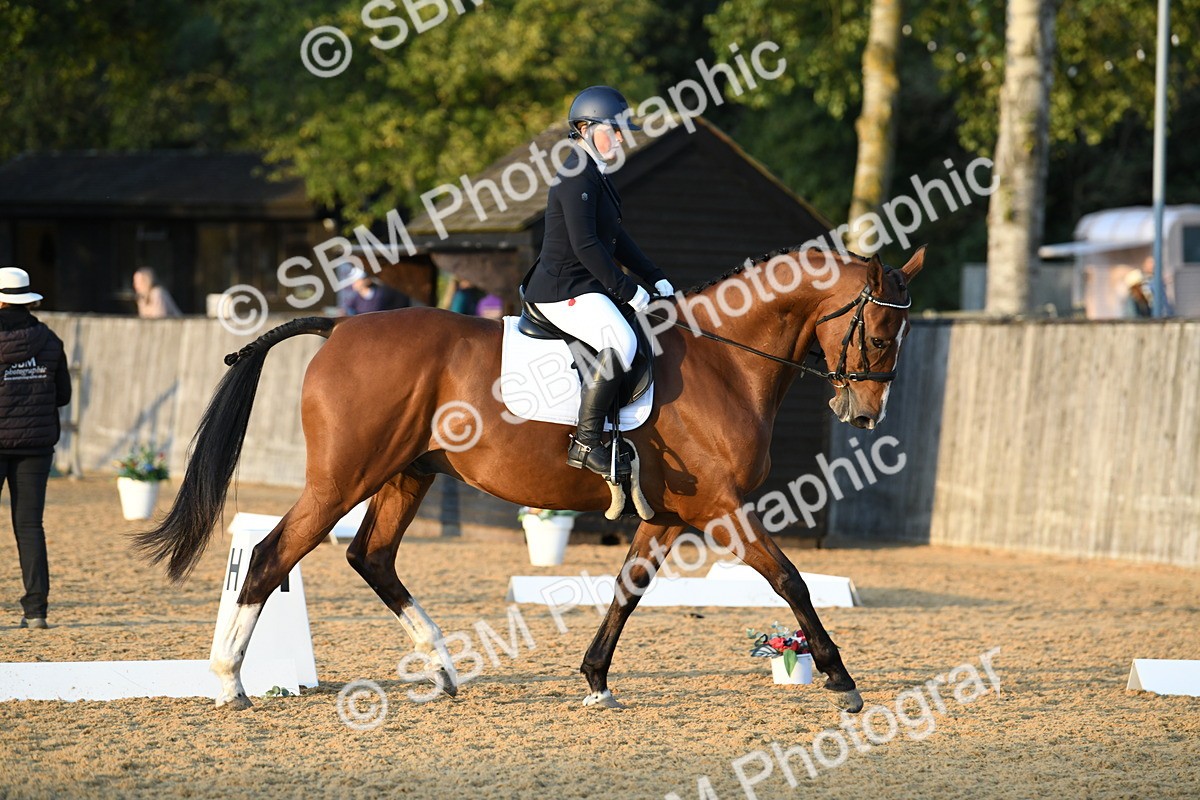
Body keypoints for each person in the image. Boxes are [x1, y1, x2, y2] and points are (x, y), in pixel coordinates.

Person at [522, 86, 675, 476]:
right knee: (620, 341)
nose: (622, 138)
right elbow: (586, 246)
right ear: (586, 128)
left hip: (583, 285)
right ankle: (586, 442)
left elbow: (616, 238)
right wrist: (629, 290)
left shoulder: (596, 174)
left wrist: (653, 274)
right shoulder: (576, 175)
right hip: (561, 289)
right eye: (615, 129)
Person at [0, 267, 71, 629]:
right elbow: (64, 395)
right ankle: (36, 610)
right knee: (29, 526)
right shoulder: (50, 339)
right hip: (37, 447)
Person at [340, 268, 412, 315]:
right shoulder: (354, 297)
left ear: (367, 280)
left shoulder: (381, 295)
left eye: (357, 280)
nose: (354, 283)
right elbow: (344, 310)